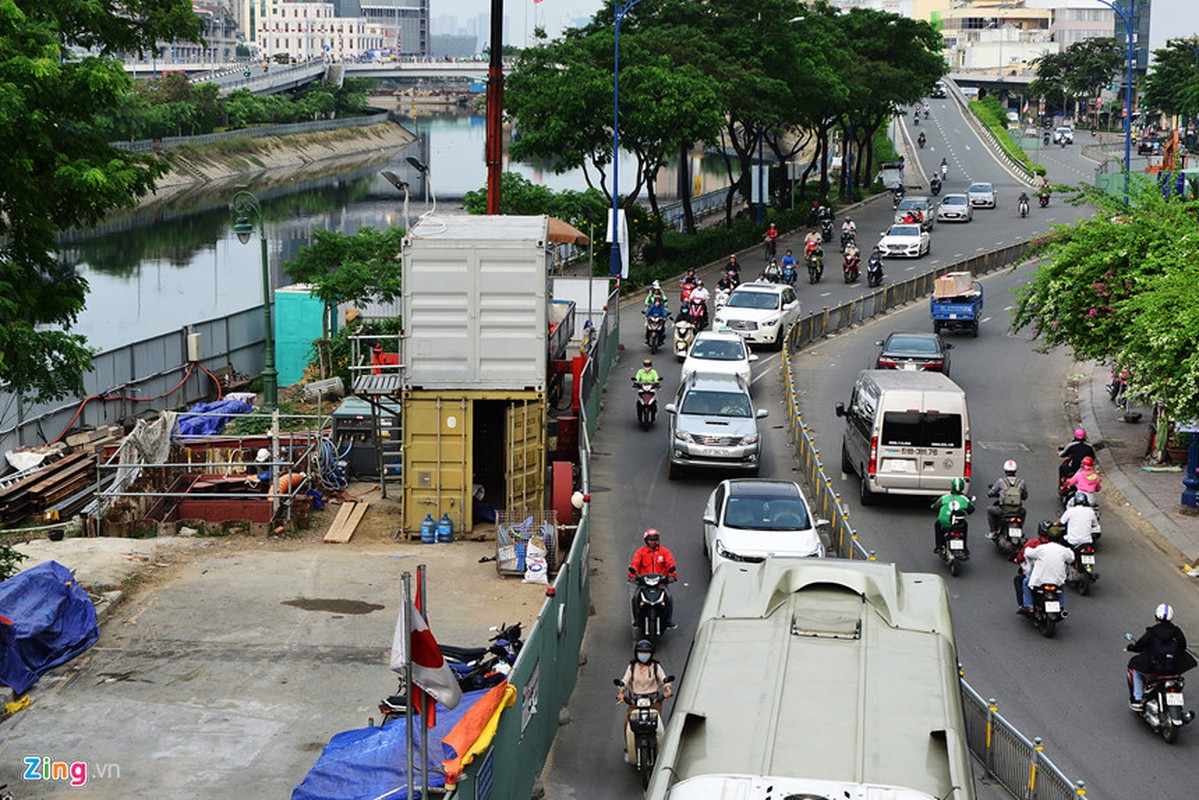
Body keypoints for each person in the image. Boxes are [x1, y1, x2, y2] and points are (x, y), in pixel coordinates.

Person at [1127, 604, 1198, 709]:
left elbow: (1140, 646)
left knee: (1134, 668)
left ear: (1156, 617)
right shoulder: (1176, 631)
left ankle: (1138, 698)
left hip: (1155, 668)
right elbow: (1183, 646)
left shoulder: (1152, 632)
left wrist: (1131, 647)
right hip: (1173, 669)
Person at [628, 528, 677, 628]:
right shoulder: (640, 552)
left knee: (669, 598)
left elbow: (670, 564)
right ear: (646, 540)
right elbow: (634, 564)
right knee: (635, 598)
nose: (653, 542)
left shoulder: (664, 552)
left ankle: (668, 620)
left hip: (660, 583)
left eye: (655, 539)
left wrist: (672, 576)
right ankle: (637, 619)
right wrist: (632, 576)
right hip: (644, 583)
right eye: (651, 540)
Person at [1020, 525, 1074, 613]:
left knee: (1026, 582)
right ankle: (1061, 607)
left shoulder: (1042, 549)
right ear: (1060, 539)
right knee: (1061, 587)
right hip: (1057, 581)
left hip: (1040, 580)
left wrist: (1028, 548)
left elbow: (1028, 553)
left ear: (1048, 537)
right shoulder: (1063, 550)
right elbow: (1071, 559)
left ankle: (1029, 606)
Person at [616, 639, 673, 713]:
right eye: (641, 652)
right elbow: (625, 681)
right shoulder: (632, 667)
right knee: (628, 720)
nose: (643, 654)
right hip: (635, 700)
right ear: (636, 653)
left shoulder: (655, 666)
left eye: (646, 652)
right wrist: (621, 692)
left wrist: (667, 689)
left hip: (653, 699)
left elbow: (664, 679)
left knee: (657, 719)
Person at [1013, 521, 1053, 607]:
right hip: (1053, 576)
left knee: (1019, 580)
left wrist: (1017, 560)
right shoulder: (1056, 546)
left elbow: (1022, 555)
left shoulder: (1033, 543)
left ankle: (1024, 605)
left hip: (1036, 576)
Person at [931, 477, 974, 554]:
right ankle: (964, 548)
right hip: (959, 525)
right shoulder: (964, 499)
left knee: (937, 524)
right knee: (965, 525)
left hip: (945, 524)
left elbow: (935, 507)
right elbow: (971, 510)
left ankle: (939, 546)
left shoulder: (945, 498)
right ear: (962, 487)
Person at [986, 459, 1028, 537]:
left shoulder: (1001, 481)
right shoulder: (1021, 482)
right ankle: (1020, 528)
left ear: (1005, 470)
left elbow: (992, 492)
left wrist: (989, 494)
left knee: (989, 510)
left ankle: (993, 531)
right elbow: (1025, 496)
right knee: (1024, 511)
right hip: (1017, 511)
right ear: (1015, 470)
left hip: (1003, 510)